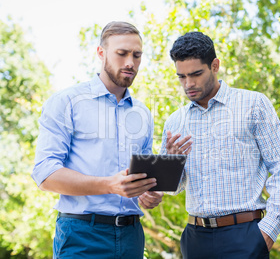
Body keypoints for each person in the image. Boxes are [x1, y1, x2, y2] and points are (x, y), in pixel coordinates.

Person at [32, 21, 191, 259]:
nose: (130, 62)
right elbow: (45, 174)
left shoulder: (143, 113)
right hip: (81, 236)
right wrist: (109, 185)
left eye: (137, 55)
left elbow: (141, 186)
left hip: (132, 237)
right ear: (101, 53)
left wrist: (149, 194)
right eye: (122, 53)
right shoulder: (67, 102)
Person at [160, 31, 280, 258]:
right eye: (181, 77)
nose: (188, 84)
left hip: (245, 236)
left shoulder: (254, 104)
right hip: (195, 240)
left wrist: (267, 232)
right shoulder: (175, 121)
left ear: (215, 65)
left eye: (195, 74)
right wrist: (171, 162)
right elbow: (173, 187)